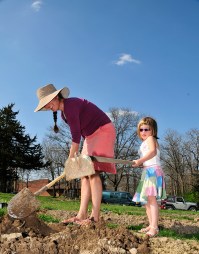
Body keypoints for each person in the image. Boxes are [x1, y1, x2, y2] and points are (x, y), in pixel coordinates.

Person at [34, 84, 116, 225]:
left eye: (47, 102)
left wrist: (71, 158)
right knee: (84, 174)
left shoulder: (70, 105)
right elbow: (79, 135)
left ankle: (94, 218)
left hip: (102, 131)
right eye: (44, 105)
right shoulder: (63, 113)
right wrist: (73, 158)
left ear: (55, 97)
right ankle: (81, 214)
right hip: (90, 136)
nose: (47, 107)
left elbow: (76, 136)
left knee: (93, 172)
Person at [132, 117, 166, 237]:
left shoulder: (151, 139)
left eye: (147, 129)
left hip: (153, 172)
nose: (144, 132)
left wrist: (140, 161)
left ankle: (155, 227)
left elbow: (153, 152)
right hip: (147, 171)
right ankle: (151, 224)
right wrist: (140, 164)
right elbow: (148, 158)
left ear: (153, 130)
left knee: (152, 200)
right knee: (146, 202)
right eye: (141, 129)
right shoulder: (143, 143)